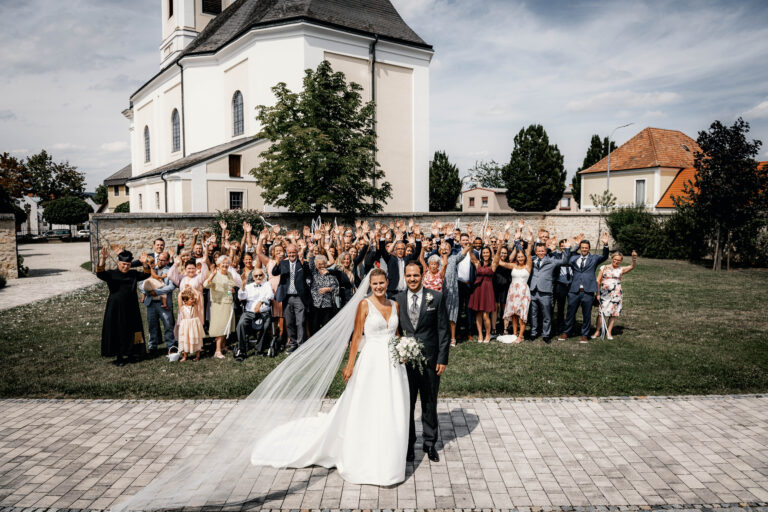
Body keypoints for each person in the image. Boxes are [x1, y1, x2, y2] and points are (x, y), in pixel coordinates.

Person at [250, 268, 410, 485]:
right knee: (368, 404)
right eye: (375, 284)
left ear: (388, 282)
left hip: (392, 363)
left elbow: (397, 333)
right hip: (371, 362)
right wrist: (350, 365)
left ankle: (389, 447)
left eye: (382, 283)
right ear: (370, 285)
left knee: (390, 404)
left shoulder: (395, 305)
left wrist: (404, 349)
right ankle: (364, 449)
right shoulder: (364, 305)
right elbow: (356, 336)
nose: (379, 287)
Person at [397, 261, 450, 463]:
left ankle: (430, 444)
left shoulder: (435, 297)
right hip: (406, 363)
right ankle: (409, 445)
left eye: (416, 275)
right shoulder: (398, 300)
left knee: (429, 403)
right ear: (404, 276)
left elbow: (443, 330)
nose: (412, 279)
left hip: (430, 361)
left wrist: (442, 358)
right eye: (409, 275)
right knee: (407, 405)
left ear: (423, 275)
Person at [96, 247, 151, 367]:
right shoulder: (111, 274)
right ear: (118, 263)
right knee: (118, 329)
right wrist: (102, 259)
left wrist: (144, 263)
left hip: (131, 306)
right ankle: (119, 356)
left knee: (131, 328)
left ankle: (131, 353)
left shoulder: (133, 274)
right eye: (123, 264)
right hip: (115, 307)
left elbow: (147, 274)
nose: (125, 267)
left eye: (128, 264)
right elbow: (100, 273)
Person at [559, 232, 610, 344]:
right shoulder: (574, 258)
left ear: (589, 248)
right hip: (574, 290)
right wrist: (569, 247)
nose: (584, 249)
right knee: (570, 313)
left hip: (587, 291)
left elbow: (605, 256)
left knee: (586, 314)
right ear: (580, 248)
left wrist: (606, 245)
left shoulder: (594, 258)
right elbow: (567, 258)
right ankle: (567, 332)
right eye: (582, 248)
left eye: (586, 248)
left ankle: (584, 334)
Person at [272, 243, 311, 353]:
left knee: (300, 322)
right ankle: (293, 344)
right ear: (286, 253)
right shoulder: (283, 263)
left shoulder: (302, 263)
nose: (291, 254)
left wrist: (307, 283)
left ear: (297, 252)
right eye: (289, 252)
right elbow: (274, 272)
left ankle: (301, 345)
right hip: (287, 297)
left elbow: (309, 276)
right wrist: (278, 262)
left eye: (293, 252)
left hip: (299, 297)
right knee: (289, 322)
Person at [498, 229, 533, 344]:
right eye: (518, 257)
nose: (520, 258)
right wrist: (501, 244)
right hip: (513, 291)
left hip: (523, 292)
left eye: (522, 257)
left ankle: (521, 335)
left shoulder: (528, 266)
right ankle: (514, 333)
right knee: (513, 314)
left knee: (522, 314)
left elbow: (529, 252)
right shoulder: (513, 266)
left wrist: (530, 239)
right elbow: (500, 262)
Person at [592, 250, 637, 340]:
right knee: (601, 313)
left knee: (613, 314)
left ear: (621, 261)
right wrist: (597, 293)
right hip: (604, 294)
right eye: (615, 259)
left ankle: (609, 332)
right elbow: (598, 281)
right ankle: (597, 331)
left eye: (619, 260)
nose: (616, 261)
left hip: (616, 294)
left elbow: (632, 266)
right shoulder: (604, 267)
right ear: (612, 258)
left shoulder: (621, 269)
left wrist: (634, 258)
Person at [527, 237, 563, 343]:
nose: (541, 252)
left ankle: (546, 334)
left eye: (543, 251)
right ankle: (533, 333)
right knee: (533, 314)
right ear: (536, 251)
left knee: (546, 314)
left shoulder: (551, 261)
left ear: (545, 251)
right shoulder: (532, 260)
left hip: (545, 292)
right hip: (533, 290)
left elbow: (564, 260)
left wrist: (557, 250)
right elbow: (524, 255)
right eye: (539, 251)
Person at [204, 255, 240, 359]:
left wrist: (231, 291)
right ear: (218, 265)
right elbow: (206, 285)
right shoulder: (215, 274)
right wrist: (211, 276)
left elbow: (231, 286)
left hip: (228, 302)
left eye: (227, 263)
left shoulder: (229, 274)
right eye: (223, 263)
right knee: (220, 326)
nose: (225, 265)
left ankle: (223, 346)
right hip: (218, 303)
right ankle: (217, 350)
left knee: (226, 325)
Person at [139, 251, 177, 352]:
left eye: (162, 260)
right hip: (151, 302)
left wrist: (157, 291)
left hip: (163, 302)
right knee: (152, 325)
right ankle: (152, 346)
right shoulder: (151, 269)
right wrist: (147, 291)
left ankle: (170, 345)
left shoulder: (170, 271)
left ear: (168, 261)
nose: (160, 262)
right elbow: (141, 283)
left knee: (168, 324)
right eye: (159, 259)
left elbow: (171, 286)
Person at [235, 268, 274, 360]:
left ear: (263, 276)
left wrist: (260, 302)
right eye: (256, 276)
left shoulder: (267, 284)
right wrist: (243, 285)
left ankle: (259, 350)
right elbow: (241, 297)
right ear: (253, 277)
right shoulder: (248, 286)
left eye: (260, 275)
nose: (258, 277)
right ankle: (242, 351)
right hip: (249, 312)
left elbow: (270, 295)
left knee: (266, 325)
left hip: (263, 311)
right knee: (240, 324)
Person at [441, 240, 471, 346]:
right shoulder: (435, 260)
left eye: (447, 248)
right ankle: (443, 338)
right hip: (440, 292)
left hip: (452, 292)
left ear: (450, 250)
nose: (445, 250)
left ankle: (453, 338)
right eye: (443, 248)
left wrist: (468, 245)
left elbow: (463, 253)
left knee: (452, 316)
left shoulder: (453, 259)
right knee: (440, 317)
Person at [468, 246, 496, 343]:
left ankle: (488, 334)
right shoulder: (478, 263)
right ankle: (480, 334)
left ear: (490, 253)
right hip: (478, 290)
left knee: (485, 315)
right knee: (478, 313)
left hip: (488, 290)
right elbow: (471, 255)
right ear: (481, 254)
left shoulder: (493, 264)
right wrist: (471, 244)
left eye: (487, 252)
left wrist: (500, 244)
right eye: (483, 252)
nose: (485, 254)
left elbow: (497, 256)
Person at [308, 254, 339, 335]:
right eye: (319, 264)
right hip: (315, 305)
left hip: (327, 305)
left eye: (323, 264)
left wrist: (328, 289)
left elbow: (336, 289)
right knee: (314, 328)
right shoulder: (313, 273)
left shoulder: (330, 274)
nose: (321, 266)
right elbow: (310, 263)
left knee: (326, 328)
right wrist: (310, 252)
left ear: (326, 264)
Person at [177, 287, 204, 361]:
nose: (193, 300)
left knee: (196, 338)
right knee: (185, 339)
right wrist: (183, 290)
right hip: (186, 325)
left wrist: (192, 289)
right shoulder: (182, 307)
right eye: (191, 299)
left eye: (193, 298)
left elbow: (198, 295)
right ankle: (185, 356)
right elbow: (179, 297)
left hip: (194, 324)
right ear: (185, 301)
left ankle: (197, 355)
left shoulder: (194, 305)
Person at [552, 238, 573, 335]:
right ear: (560, 247)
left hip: (571, 284)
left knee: (572, 307)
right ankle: (559, 326)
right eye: (561, 246)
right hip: (561, 284)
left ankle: (570, 327)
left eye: (565, 246)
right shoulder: (557, 256)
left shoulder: (573, 255)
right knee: (560, 307)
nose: (563, 247)